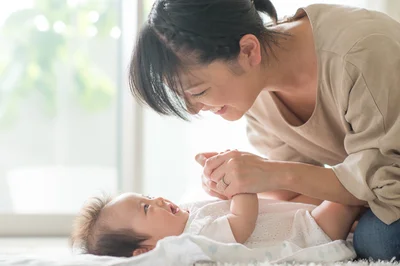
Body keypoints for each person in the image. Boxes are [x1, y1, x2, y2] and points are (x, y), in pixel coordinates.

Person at [129, 0, 400, 260]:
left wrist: (272, 173)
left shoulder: (360, 54)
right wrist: (238, 186)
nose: (194, 110)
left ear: (248, 51)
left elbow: (389, 187)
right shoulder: (256, 96)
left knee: (380, 238)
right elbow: (298, 194)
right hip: (382, 184)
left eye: (198, 92)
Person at [70, 191, 361, 257]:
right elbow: (241, 222)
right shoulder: (195, 242)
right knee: (348, 196)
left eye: (148, 195)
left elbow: (224, 207)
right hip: (309, 231)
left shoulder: (187, 217)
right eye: (146, 207)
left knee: (315, 193)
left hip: (292, 213)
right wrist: (240, 185)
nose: (157, 199)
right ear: (146, 251)